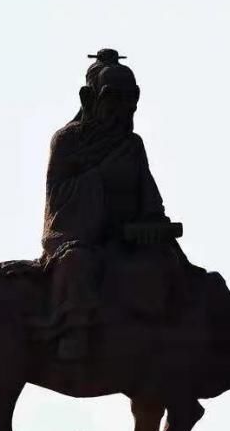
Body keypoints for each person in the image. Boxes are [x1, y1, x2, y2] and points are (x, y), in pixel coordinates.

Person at [40, 50, 185, 361]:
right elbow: (59, 197)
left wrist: (154, 224)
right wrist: (102, 178)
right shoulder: (67, 142)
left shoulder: (132, 145)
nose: (121, 108)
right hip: (78, 238)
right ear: (89, 97)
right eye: (112, 98)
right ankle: (73, 333)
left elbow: (149, 196)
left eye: (129, 98)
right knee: (77, 263)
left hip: (125, 237)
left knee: (167, 264)